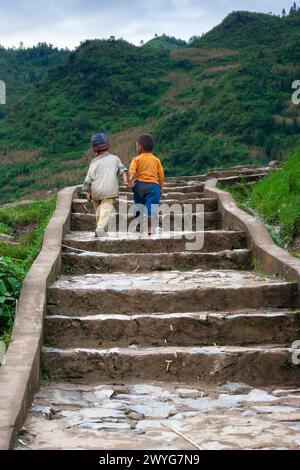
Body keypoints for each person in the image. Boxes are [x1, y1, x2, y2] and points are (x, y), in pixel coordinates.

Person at [83, 132, 129, 237]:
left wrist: (88, 192)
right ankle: (100, 228)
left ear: (94, 148)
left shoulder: (93, 162)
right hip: (109, 191)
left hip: (96, 191)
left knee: (99, 213)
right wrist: (125, 181)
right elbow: (123, 171)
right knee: (105, 211)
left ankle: (101, 230)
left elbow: (88, 179)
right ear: (108, 145)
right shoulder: (115, 159)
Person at [129, 134, 164, 235]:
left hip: (139, 185)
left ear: (140, 147)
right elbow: (161, 175)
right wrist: (160, 187)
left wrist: (131, 177)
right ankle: (149, 228)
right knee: (151, 206)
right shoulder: (156, 160)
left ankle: (139, 223)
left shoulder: (137, 159)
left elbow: (132, 169)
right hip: (153, 186)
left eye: (136, 145)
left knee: (138, 205)